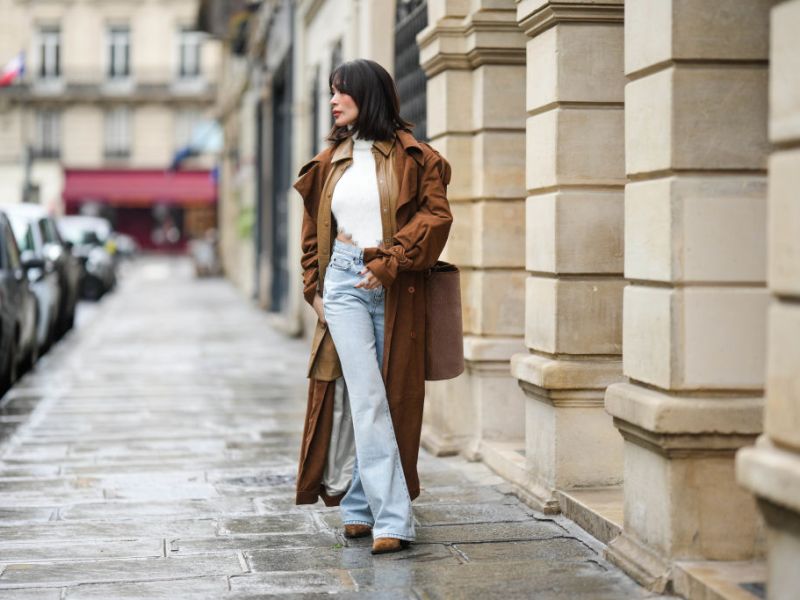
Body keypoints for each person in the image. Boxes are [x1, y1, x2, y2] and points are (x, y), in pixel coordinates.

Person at [292, 58, 453, 555]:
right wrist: (315, 290)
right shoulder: (329, 161)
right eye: (331, 92)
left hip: (396, 285)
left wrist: (392, 260)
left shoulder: (415, 157)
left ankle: (360, 507)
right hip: (343, 283)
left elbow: (435, 217)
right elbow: (312, 237)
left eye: (342, 91)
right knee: (365, 397)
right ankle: (394, 518)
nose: (334, 100)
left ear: (370, 95)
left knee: (389, 397)